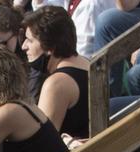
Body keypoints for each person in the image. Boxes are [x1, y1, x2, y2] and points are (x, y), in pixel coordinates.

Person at [24, 5, 92, 140]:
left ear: (50, 47)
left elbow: (44, 144)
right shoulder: (86, 63)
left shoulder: (57, 84)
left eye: (30, 40)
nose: (24, 46)